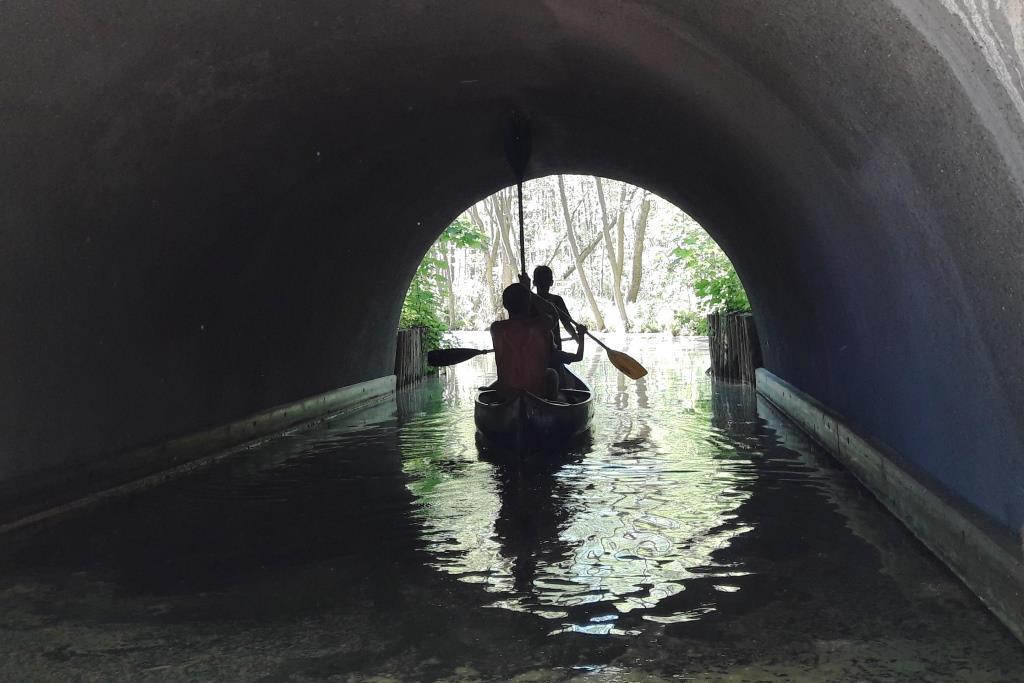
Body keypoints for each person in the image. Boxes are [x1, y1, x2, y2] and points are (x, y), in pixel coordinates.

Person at [491, 283, 586, 400]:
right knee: (551, 374)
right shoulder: (540, 325)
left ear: (505, 305)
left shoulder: (496, 329)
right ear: (528, 303)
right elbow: (553, 313)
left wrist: (527, 294)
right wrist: (529, 293)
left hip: (506, 395)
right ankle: (552, 403)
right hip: (535, 394)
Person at [530, 265, 578, 350]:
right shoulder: (556, 300)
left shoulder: (530, 301)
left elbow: (567, 323)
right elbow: (567, 324)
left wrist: (577, 338)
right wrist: (578, 340)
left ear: (534, 282)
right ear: (551, 282)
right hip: (552, 350)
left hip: (535, 350)